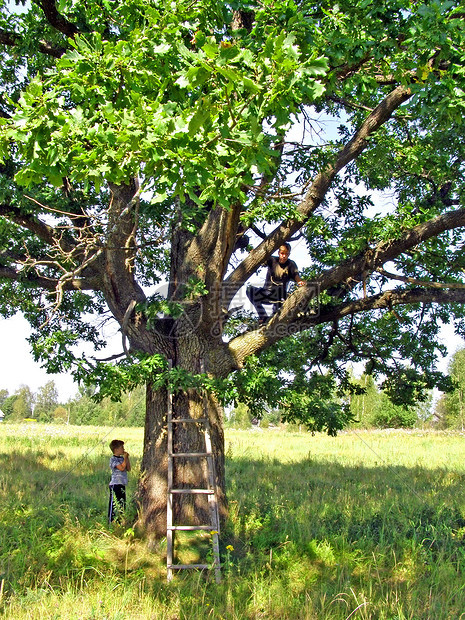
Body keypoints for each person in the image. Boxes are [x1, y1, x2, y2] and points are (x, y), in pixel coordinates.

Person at [246, 243, 304, 324]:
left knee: (276, 317)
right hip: (266, 293)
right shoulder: (272, 260)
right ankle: (263, 315)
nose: (284, 256)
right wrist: (254, 253)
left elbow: (296, 275)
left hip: (280, 296)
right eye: (282, 253)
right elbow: (261, 259)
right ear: (278, 253)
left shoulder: (291, 264)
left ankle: (273, 318)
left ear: (289, 254)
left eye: (286, 254)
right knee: (249, 290)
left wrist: (300, 282)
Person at [108, 439, 131, 524]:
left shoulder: (122, 459)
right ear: (116, 449)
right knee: (114, 503)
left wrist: (126, 459)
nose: (123, 449)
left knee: (122, 503)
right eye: (122, 447)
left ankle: (120, 521)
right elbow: (121, 468)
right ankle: (111, 521)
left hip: (122, 484)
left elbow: (128, 468)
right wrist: (125, 459)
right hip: (115, 484)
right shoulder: (113, 459)